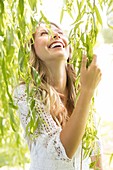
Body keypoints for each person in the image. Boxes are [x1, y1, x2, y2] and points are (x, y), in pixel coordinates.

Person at [14, 22, 103, 170]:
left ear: (68, 50)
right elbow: (61, 153)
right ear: (33, 49)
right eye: (44, 33)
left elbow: (95, 151)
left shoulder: (81, 89)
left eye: (59, 32)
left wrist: (85, 90)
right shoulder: (25, 93)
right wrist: (88, 91)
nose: (56, 35)